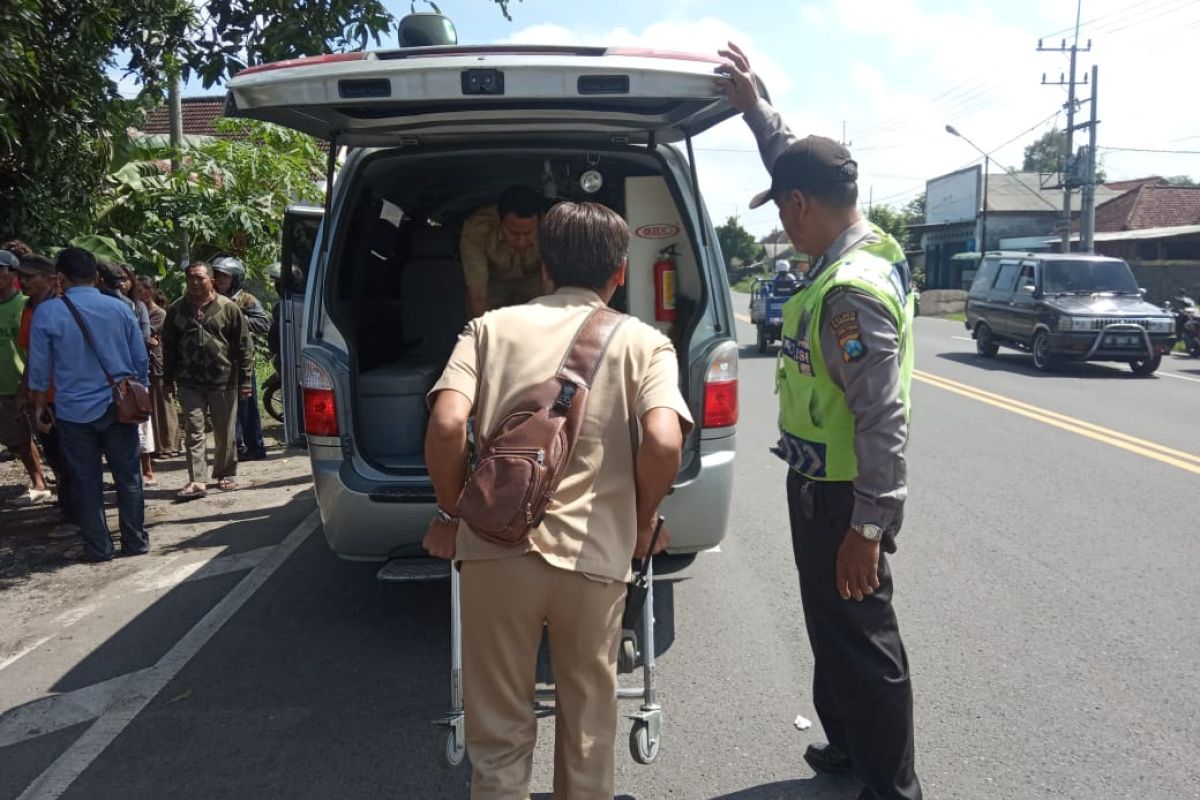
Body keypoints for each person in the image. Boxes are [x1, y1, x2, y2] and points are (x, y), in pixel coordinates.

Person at [423, 201, 692, 800]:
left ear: (544, 267)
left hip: (494, 550)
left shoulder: (488, 328)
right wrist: (644, 521)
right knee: (588, 730)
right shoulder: (645, 342)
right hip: (594, 557)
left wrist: (451, 513)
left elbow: (446, 426)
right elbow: (664, 439)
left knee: (499, 735)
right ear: (619, 272)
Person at [719, 43, 922, 800]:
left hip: (844, 495)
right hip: (820, 482)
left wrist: (867, 529)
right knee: (833, 631)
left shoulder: (850, 291)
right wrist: (757, 112)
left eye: (782, 210)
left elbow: (883, 419)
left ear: (799, 206)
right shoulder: (855, 240)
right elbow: (800, 160)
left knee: (864, 643)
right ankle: (847, 746)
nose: (783, 225)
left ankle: (892, 789)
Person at [28, 248, 150, 561]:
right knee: (128, 477)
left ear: (61, 278)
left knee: (86, 481)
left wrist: (39, 405)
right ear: (95, 276)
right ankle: (135, 542)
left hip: (72, 411)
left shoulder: (47, 313)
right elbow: (139, 358)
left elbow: (40, 367)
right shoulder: (120, 309)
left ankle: (99, 547)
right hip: (118, 405)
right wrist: (140, 392)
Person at [163, 261, 253, 499]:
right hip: (188, 381)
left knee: (224, 431)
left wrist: (245, 381)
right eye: (190, 278)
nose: (194, 282)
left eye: (200, 278)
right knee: (194, 429)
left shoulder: (228, 308)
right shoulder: (177, 310)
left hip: (224, 380)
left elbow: (244, 346)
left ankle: (225, 472)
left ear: (211, 280)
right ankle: (197, 479)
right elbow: (169, 347)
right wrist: (167, 380)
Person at [14, 253, 73, 524]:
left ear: (51, 279)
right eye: (21, 276)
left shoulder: (64, 308)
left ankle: (77, 513)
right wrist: (25, 390)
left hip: (67, 396)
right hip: (42, 397)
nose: (23, 281)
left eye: (29, 276)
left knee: (71, 457)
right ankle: (68, 506)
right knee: (55, 456)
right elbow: (32, 357)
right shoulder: (28, 309)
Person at [0, 248, 51, 507]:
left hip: (26, 383)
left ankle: (41, 482)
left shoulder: (25, 305)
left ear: (11, 274)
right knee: (16, 439)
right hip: (4, 383)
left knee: (38, 437)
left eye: (0, 269)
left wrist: (26, 386)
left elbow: (35, 350)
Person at [460, 184, 549, 318]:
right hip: (493, 281)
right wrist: (484, 336)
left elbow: (550, 285)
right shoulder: (477, 230)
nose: (521, 240)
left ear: (539, 221)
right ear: (499, 220)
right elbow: (477, 294)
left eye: (528, 233)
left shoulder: (551, 227)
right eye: (513, 233)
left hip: (535, 279)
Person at [212, 256, 270, 461]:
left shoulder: (246, 299)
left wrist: (239, 319)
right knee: (226, 408)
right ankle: (236, 446)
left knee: (248, 405)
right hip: (218, 362)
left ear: (235, 279)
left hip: (241, 361)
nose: (220, 281)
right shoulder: (210, 299)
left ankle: (255, 446)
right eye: (217, 276)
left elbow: (264, 323)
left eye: (224, 277)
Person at [135, 275, 181, 458]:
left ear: (150, 291)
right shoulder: (140, 312)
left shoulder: (159, 314)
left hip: (158, 362)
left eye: (142, 290)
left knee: (163, 403)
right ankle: (158, 444)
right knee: (153, 404)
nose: (139, 293)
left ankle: (169, 444)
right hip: (147, 362)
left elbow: (147, 337)